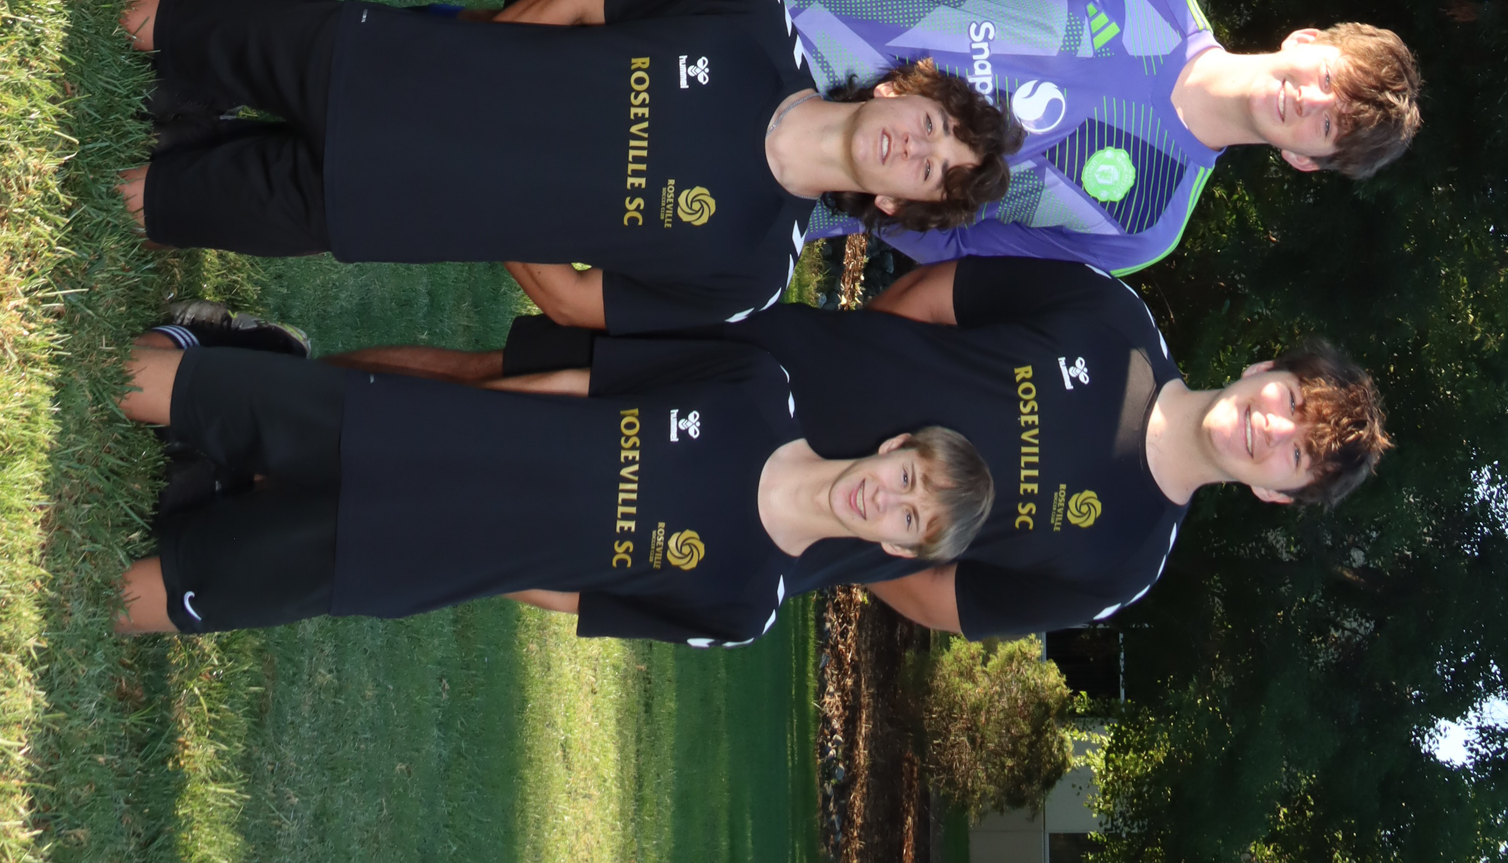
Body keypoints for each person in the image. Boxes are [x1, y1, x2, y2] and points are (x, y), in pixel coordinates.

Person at [490, 262, 1390, 637]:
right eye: (1290, 401)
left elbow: (941, 599)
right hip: (757, 367)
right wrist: (849, 368)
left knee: (567, 552)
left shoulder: (1123, 564)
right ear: (1264, 370)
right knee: (504, 382)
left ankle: (453, 555)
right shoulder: (1116, 320)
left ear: (1277, 494)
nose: (1273, 428)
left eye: (1295, 456)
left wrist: (858, 534)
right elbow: (938, 294)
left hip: (770, 532)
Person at [112, 0, 1017, 325]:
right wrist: (481, 64)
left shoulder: (749, 273)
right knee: (149, 18)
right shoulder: (753, 20)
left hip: (371, 204)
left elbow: (582, 303)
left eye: (932, 176)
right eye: (934, 126)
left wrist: (495, 210)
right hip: (377, 65)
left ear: (894, 206)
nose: (918, 149)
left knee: (133, 202)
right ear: (903, 87)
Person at [111, 308, 995, 643]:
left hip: (401, 556)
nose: (890, 499)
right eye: (909, 478)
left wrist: (477, 559)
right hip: (402, 430)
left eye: (908, 520)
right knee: (146, 382)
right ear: (896, 446)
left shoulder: (743, 604)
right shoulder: (757, 387)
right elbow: (581, 383)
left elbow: (579, 600)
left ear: (893, 549)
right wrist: (469, 422)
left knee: (141, 599)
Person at [752, 0, 1422, 271]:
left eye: (1328, 127)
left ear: (1304, 160)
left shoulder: (1148, 224)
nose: (1311, 102)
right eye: (1327, 80)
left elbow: (957, 252)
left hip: (776, 193)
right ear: (1306, 40)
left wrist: (872, 194)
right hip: (772, 26)